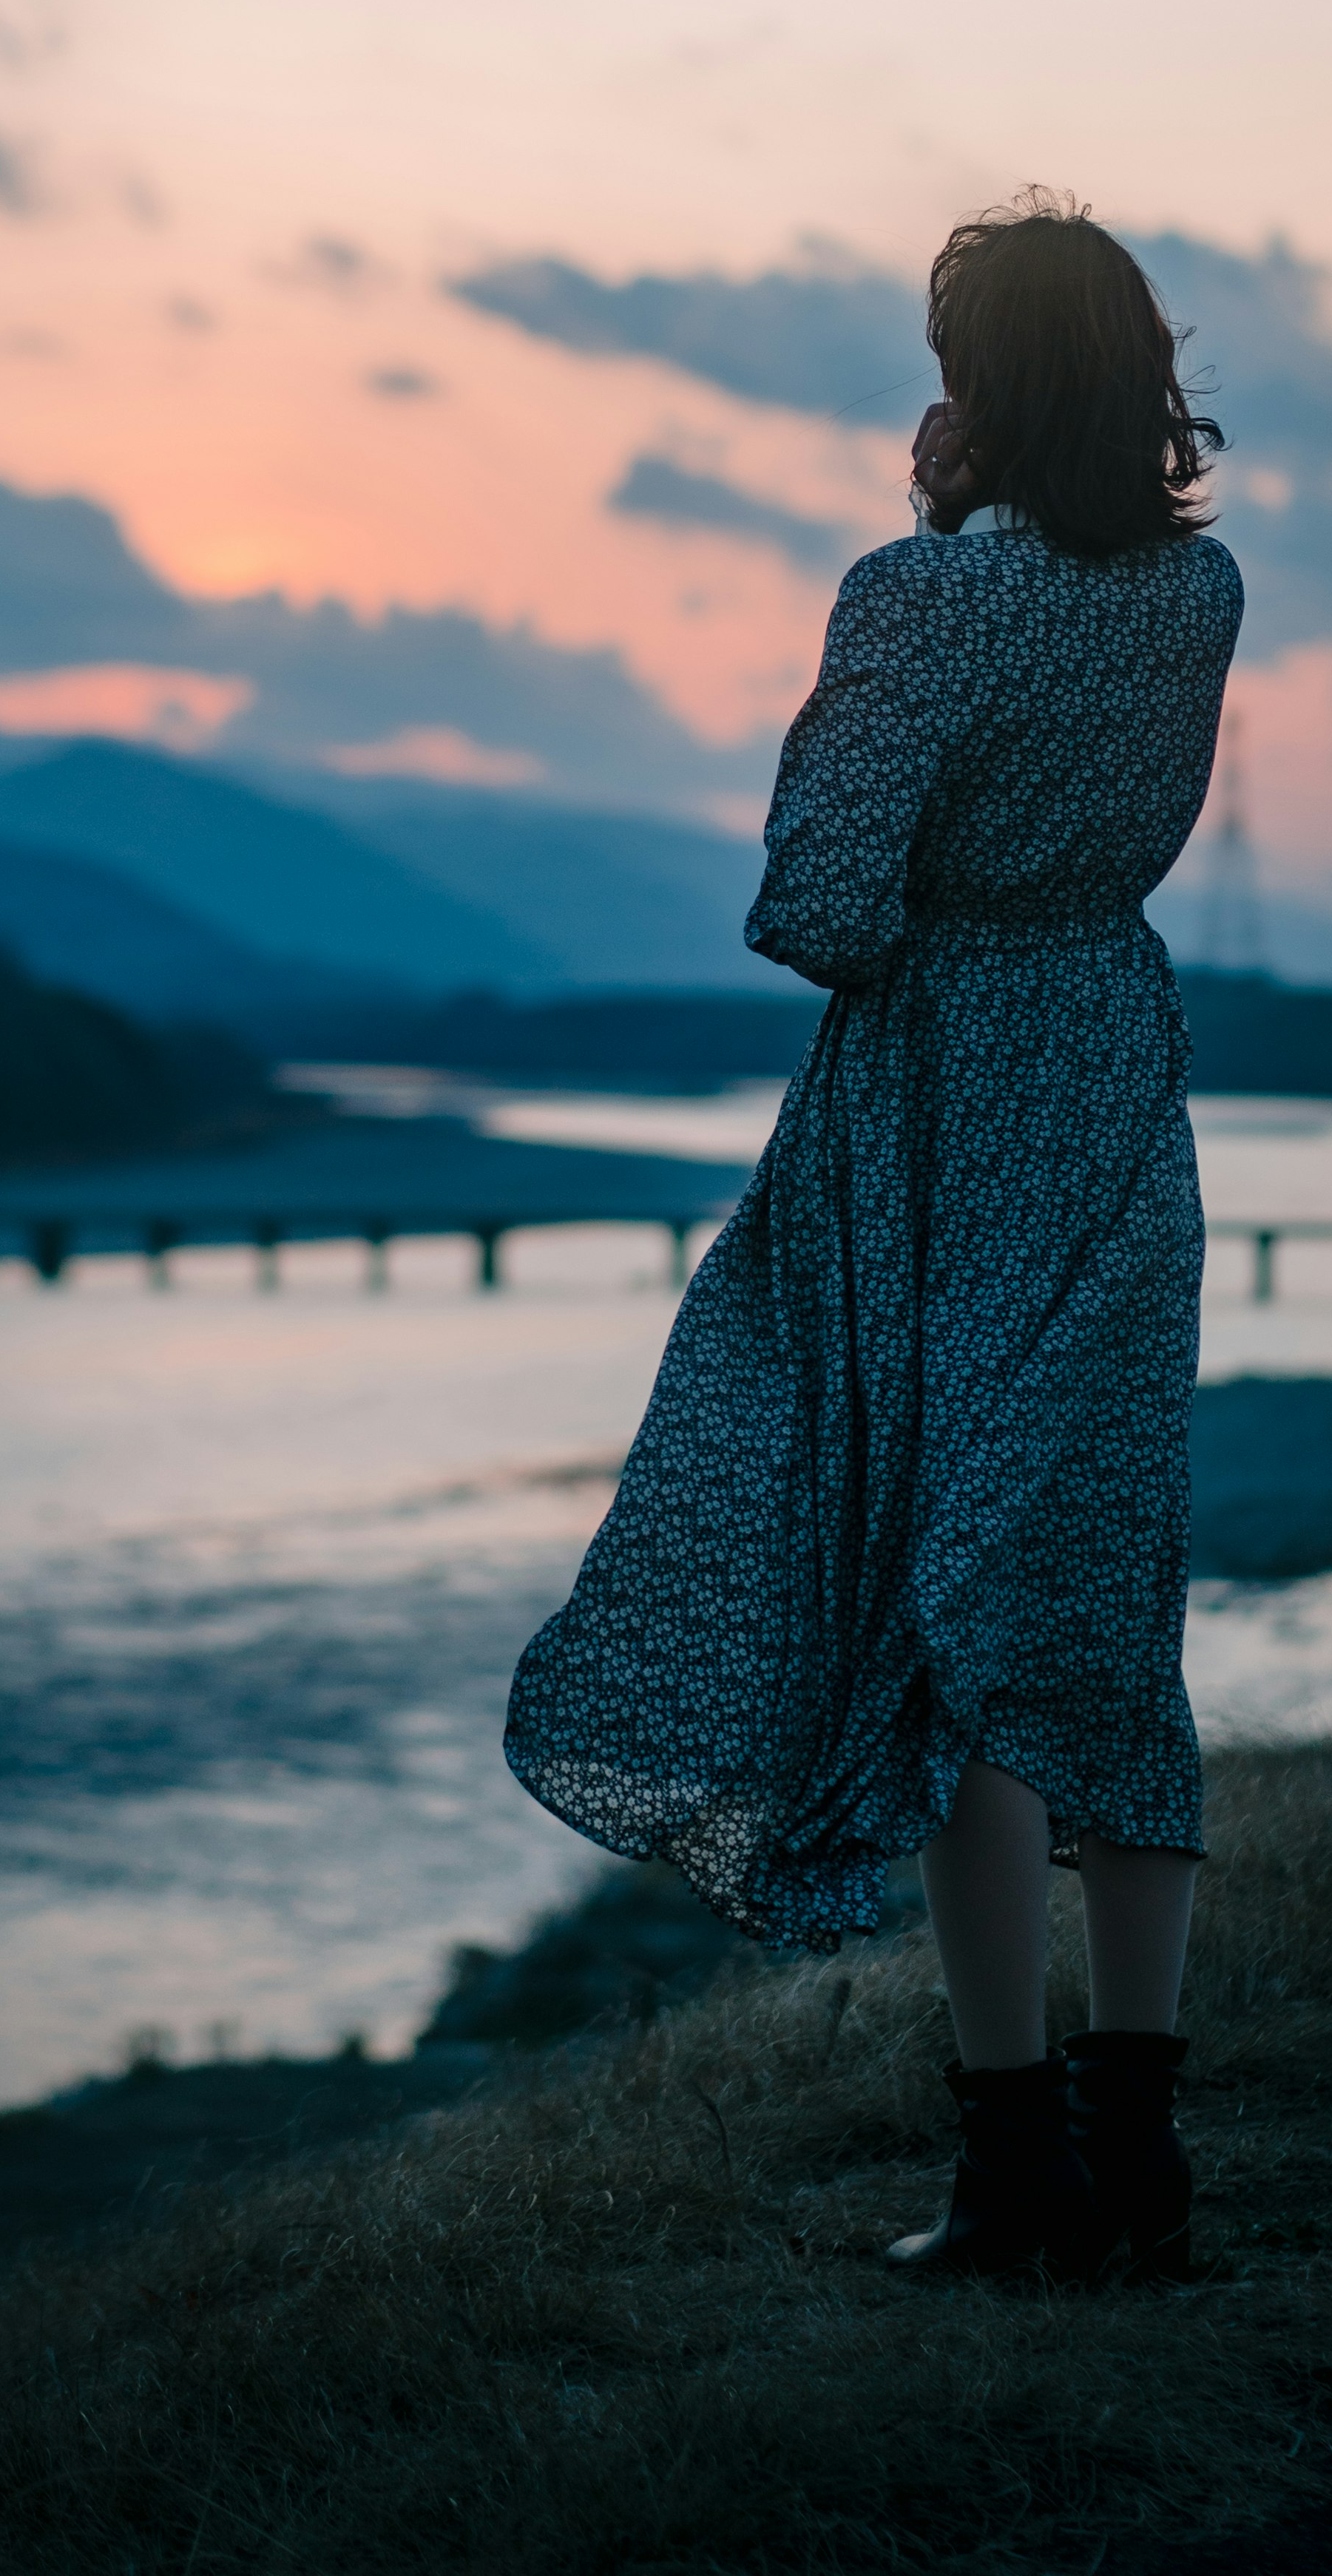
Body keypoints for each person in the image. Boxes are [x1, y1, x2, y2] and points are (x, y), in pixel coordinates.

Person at [504, 193, 1241, 2283]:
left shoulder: (920, 602)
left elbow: (818, 908)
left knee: (946, 1622)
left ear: (980, 390)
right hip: (1112, 1080)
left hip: (930, 1116)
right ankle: (1144, 2163)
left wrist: (895, 613)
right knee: (1094, 1610)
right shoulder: (1209, 598)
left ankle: (1014, 2175)